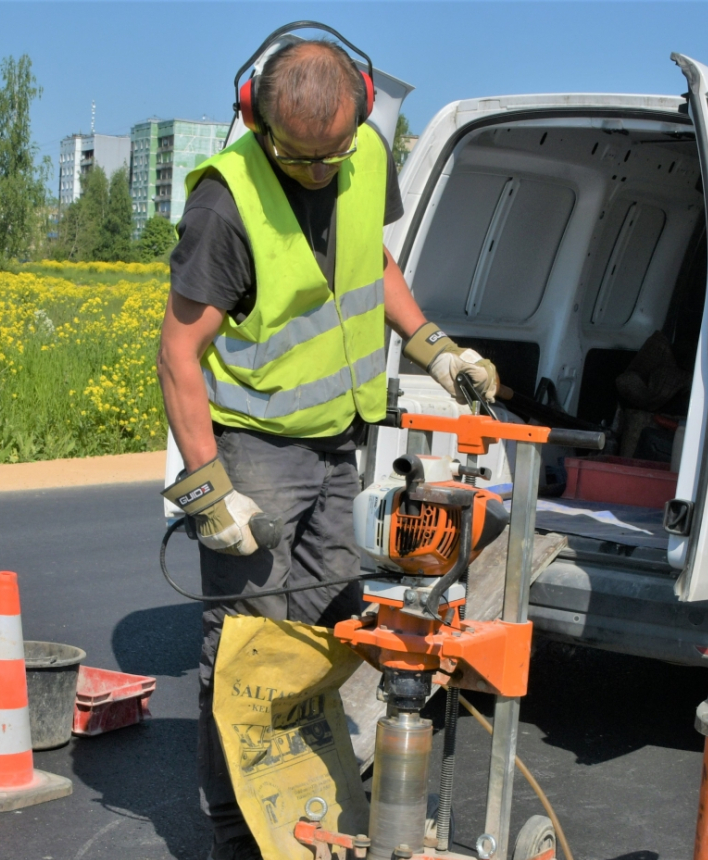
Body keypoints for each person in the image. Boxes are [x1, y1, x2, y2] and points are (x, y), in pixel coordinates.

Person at [156, 34, 500, 860]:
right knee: (245, 653)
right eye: (299, 158)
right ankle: (236, 833)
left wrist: (434, 346)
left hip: (335, 445)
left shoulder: (367, 152)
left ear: (360, 116)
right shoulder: (225, 204)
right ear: (256, 118)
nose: (318, 173)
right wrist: (210, 493)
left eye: (331, 155)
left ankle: (309, 810)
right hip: (257, 456)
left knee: (326, 632)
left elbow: (371, 262)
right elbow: (177, 352)